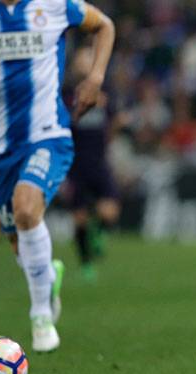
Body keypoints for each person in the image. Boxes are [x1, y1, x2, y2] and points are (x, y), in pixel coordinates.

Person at [0, 0, 115, 352]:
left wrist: (95, 77)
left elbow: (104, 25)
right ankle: (48, 276)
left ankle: (40, 315)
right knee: (18, 242)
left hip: (47, 135)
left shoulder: (54, 5)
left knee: (26, 208)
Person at [63, 47, 120, 282]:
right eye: (83, 58)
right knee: (80, 218)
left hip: (99, 161)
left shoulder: (106, 93)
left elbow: (114, 121)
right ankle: (86, 264)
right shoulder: (67, 95)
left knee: (110, 211)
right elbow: (63, 124)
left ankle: (99, 234)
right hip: (76, 164)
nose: (86, 62)